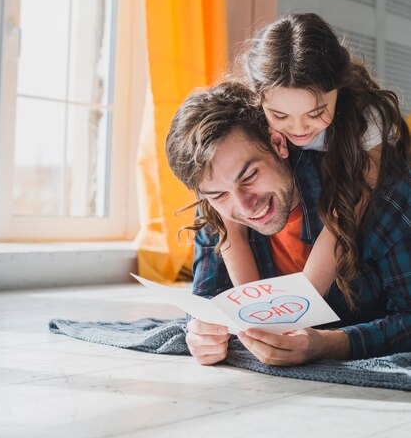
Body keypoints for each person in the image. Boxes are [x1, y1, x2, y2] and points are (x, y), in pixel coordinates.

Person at [165, 81, 411, 366]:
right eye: (218, 194)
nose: (245, 206)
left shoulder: (383, 193)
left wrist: (328, 345)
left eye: (250, 176)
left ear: (278, 143)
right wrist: (202, 333)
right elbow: (206, 302)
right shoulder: (220, 209)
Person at [220, 13, 411, 307]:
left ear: (339, 89)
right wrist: (253, 309)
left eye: (315, 113)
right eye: (280, 116)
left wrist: (299, 305)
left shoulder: (367, 120)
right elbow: (231, 229)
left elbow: (344, 218)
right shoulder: (251, 117)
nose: (298, 129)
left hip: (361, 194)